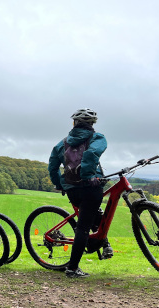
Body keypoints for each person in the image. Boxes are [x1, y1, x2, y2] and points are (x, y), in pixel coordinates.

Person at [48, 108, 111, 278]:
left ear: (74, 123)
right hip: (91, 187)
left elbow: (53, 167)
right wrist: (88, 176)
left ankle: (102, 243)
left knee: (88, 218)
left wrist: (58, 184)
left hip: (72, 189)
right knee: (83, 227)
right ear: (92, 124)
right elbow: (91, 153)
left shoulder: (61, 144)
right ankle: (72, 268)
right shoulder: (97, 138)